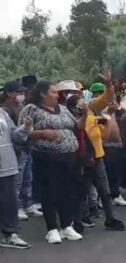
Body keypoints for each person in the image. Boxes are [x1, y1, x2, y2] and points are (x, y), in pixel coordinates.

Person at [19, 81, 84, 244]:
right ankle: (52, 228)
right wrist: (41, 133)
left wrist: (86, 114)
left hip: (68, 156)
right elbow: (20, 133)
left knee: (67, 191)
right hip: (46, 156)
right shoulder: (31, 109)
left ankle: (66, 226)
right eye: (54, 92)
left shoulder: (62, 109)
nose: (57, 95)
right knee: (50, 191)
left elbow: (78, 126)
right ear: (43, 94)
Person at [75, 79, 126, 232]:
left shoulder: (95, 115)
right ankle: (80, 219)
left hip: (98, 157)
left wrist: (109, 83)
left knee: (104, 190)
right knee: (82, 190)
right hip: (83, 159)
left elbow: (103, 136)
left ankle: (110, 218)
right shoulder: (81, 119)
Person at [2, 81, 42, 221]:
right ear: (9, 93)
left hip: (27, 146)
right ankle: (17, 206)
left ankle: (28, 204)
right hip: (16, 150)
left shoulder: (21, 106)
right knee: (17, 181)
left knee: (27, 178)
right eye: (19, 92)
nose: (22, 95)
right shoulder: (5, 110)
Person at [0, 107, 33, 249]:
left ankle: (10, 234)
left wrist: (26, 127)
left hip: (5, 166)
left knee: (9, 202)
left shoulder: (2, 113)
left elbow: (14, 136)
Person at [102, 99, 126, 206]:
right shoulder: (103, 113)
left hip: (117, 145)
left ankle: (116, 195)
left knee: (117, 172)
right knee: (109, 173)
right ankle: (106, 196)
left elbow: (124, 115)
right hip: (107, 146)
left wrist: (117, 108)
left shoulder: (117, 113)